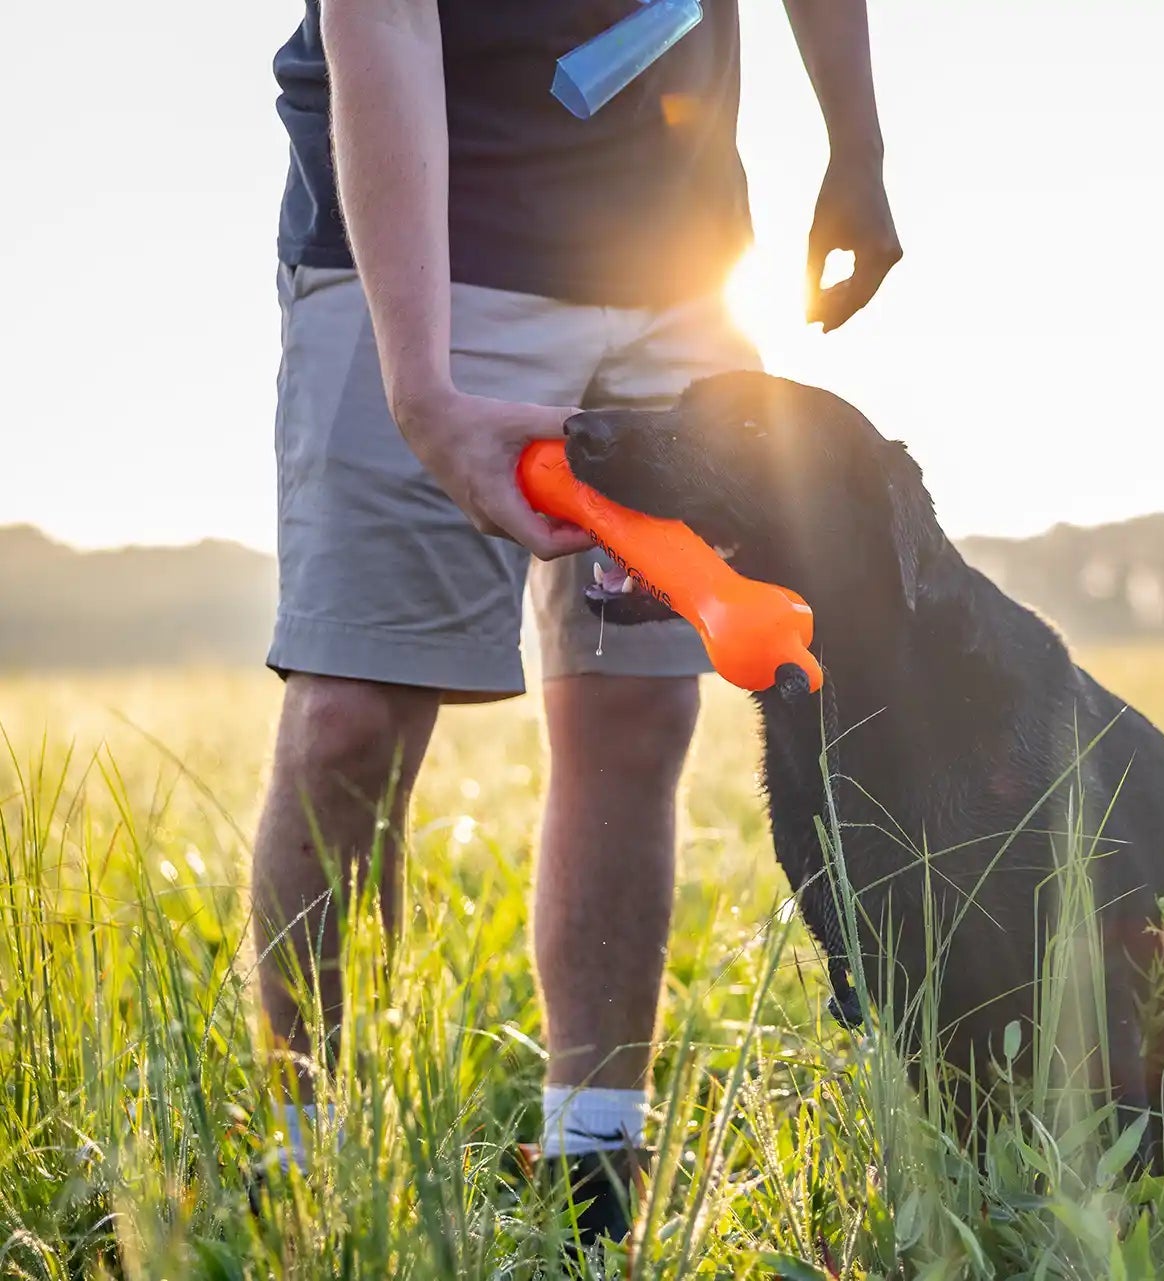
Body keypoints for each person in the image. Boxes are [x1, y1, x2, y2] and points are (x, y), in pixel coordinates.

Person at [255, 0, 899, 1244]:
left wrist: (857, 149)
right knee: (347, 721)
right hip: (430, 251)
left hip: (674, 265)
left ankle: (593, 1164)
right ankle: (301, 1164)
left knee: (639, 710)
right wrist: (422, 385)